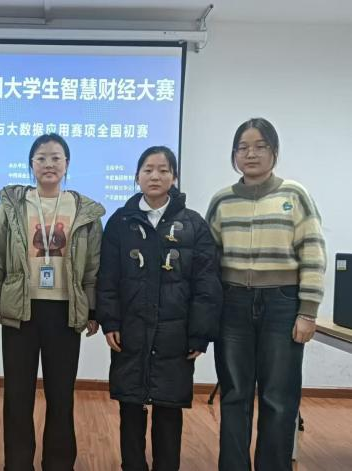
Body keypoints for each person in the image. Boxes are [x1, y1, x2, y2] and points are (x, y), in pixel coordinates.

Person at [206, 117, 327, 471]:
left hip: (282, 305)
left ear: (274, 152)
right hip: (233, 306)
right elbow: (208, 261)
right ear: (234, 154)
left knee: (278, 398)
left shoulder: (295, 195)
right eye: (243, 147)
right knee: (234, 395)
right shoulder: (222, 201)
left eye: (260, 146)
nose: (251, 154)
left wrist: (308, 311)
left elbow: (313, 254)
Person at [0, 134, 104, 471]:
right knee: (17, 395)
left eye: (56, 158)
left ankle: (59, 463)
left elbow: (94, 266)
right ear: (31, 164)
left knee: (61, 395)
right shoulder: (11, 206)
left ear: (67, 164)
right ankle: (18, 464)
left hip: (65, 311)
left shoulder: (84, 210)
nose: (49, 164)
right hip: (21, 310)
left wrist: (92, 309)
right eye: (42, 158)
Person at [96, 146, 222, 471]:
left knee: (168, 410)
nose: (155, 176)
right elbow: (107, 278)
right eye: (148, 169)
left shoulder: (193, 225)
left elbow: (206, 285)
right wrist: (110, 321)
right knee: (130, 409)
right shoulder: (120, 222)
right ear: (137, 176)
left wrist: (200, 335)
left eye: (163, 170)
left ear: (174, 177)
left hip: (174, 336)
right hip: (131, 331)